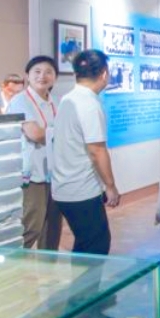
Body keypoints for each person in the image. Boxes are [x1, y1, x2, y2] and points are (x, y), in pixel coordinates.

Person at [52, 50, 121, 255]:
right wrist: (110, 186)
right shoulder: (90, 104)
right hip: (81, 188)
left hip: (64, 185)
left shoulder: (68, 98)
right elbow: (96, 150)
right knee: (96, 247)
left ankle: (80, 278)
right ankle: (87, 279)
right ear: (104, 73)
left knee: (85, 245)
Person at [8, 56, 62, 250]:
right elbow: (36, 134)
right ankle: (16, 264)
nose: (42, 76)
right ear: (27, 76)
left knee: (52, 228)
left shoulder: (56, 102)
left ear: (55, 77)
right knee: (32, 226)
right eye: (37, 72)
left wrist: (55, 134)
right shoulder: (20, 101)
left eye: (48, 72)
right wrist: (62, 133)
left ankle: (48, 266)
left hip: (55, 174)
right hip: (32, 174)